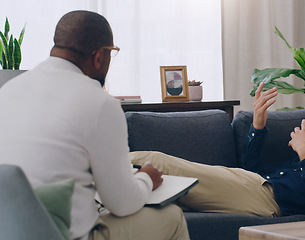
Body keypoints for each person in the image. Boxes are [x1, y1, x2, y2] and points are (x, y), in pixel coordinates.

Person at [0, 10, 189, 240]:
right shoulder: (99, 103)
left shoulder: (8, 91)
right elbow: (123, 203)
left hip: (9, 231)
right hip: (66, 234)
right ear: (99, 56)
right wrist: (147, 177)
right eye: (112, 54)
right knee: (172, 216)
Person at [130, 82, 305, 217]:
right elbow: (251, 170)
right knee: (160, 190)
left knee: (156, 162)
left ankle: (92, 172)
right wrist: (258, 125)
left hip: (267, 201)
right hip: (251, 182)